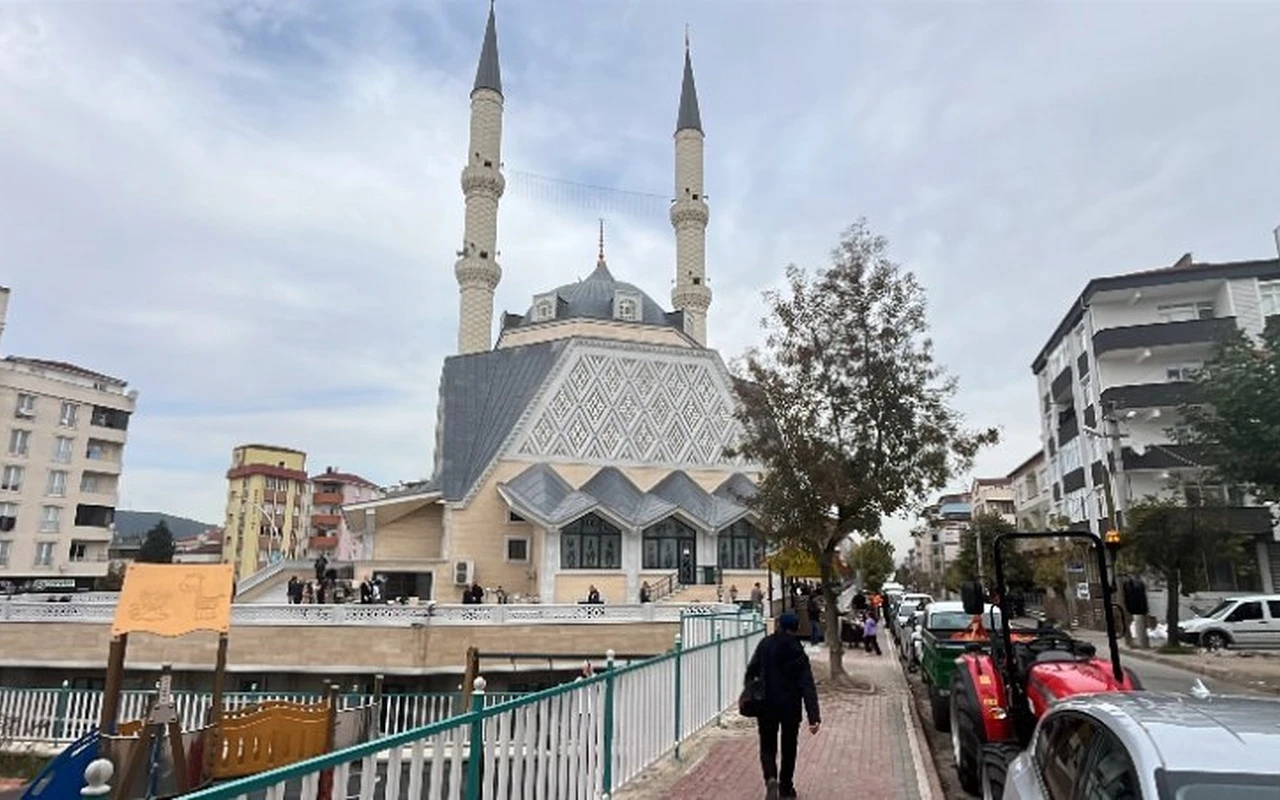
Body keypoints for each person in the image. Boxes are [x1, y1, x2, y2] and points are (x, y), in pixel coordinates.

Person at [745, 612, 820, 799]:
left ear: (778, 625)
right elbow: (807, 684)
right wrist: (814, 717)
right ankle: (786, 787)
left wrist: (752, 689)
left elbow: (751, 671)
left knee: (767, 746)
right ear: (795, 629)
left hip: (766, 704)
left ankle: (771, 778)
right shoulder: (797, 651)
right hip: (790, 708)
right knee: (789, 747)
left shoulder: (765, 644)